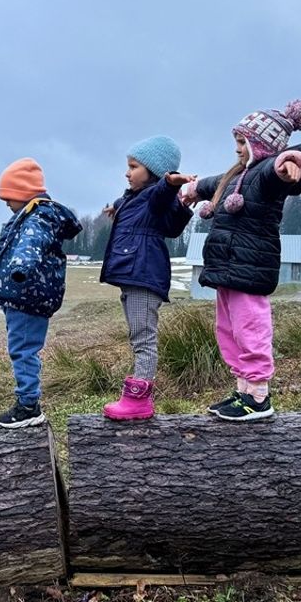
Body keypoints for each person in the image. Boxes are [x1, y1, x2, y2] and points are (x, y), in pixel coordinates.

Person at [180, 100, 301, 421]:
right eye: (237, 143)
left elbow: (283, 166)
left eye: (243, 143)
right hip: (228, 269)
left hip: (250, 267)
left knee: (250, 327)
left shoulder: (266, 176)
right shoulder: (238, 177)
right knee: (227, 329)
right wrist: (194, 188)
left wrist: (290, 161)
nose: (238, 150)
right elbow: (214, 183)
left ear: (261, 145)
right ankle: (242, 390)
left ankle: (258, 396)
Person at [99, 136, 195, 420]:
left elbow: (161, 193)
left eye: (133, 166)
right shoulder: (134, 198)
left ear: (154, 172)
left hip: (144, 275)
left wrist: (171, 182)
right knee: (137, 336)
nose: (127, 173)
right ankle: (137, 396)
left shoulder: (156, 197)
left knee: (144, 339)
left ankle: (139, 400)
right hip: (134, 276)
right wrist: (115, 208)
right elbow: (128, 202)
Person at [0, 157, 82, 428]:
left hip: (28, 296)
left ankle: (28, 404)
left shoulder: (37, 218)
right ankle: (27, 401)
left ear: (24, 193)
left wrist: (20, 268)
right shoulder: (31, 215)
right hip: (23, 295)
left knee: (23, 349)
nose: (6, 203)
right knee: (21, 348)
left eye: (9, 196)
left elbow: (30, 245)